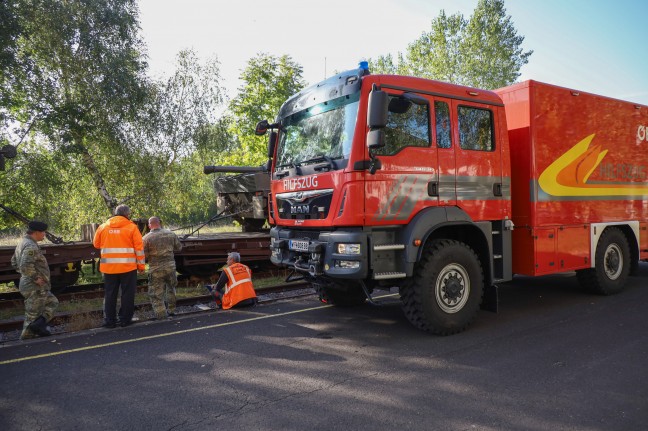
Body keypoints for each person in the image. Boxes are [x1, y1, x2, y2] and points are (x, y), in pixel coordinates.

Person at [93, 204, 145, 328]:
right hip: (128, 267)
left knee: (110, 293)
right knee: (127, 293)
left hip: (108, 268)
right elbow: (139, 248)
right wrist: (141, 266)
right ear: (127, 215)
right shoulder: (132, 227)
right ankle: (125, 320)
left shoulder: (103, 227)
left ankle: (109, 321)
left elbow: (96, 244)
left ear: (115, 213)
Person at [11, 221, 59, 339]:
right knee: (32, 315)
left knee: (53, 302)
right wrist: (35, 278)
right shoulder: (30, 246)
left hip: (34, 285)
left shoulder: (23, 243)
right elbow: (24, 265)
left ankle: (38, 327)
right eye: (43, 232)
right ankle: (28, 339)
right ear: (37, 232)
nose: (44, 235)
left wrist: (26, 275)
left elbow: (14, 262)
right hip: (34, 286)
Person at [142, 216, 182, 319]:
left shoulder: (146, 238)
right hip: (170, 268)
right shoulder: (171, 234)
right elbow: (179, 248)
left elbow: (144, 256)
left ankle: (161, 315)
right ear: (159, 223)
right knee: (171, 289)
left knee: (156, 294)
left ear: (149, 225)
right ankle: (172, 310)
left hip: (156, 270)